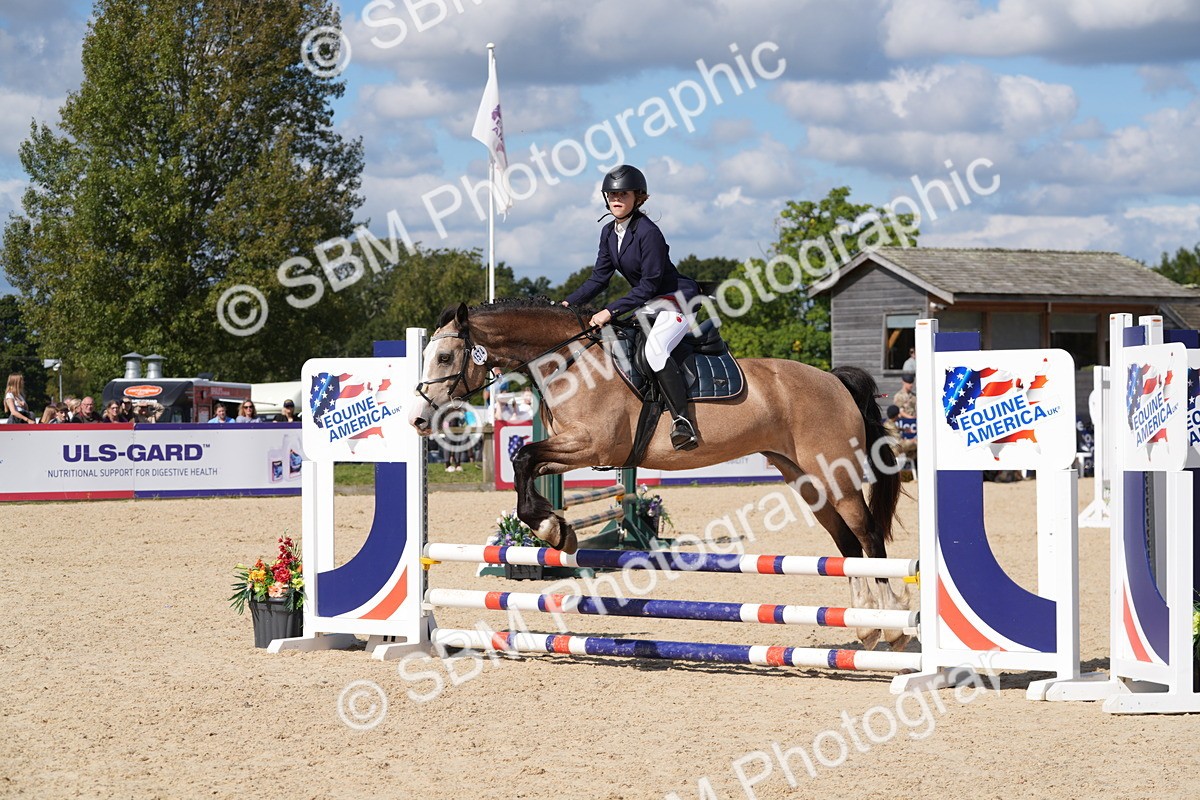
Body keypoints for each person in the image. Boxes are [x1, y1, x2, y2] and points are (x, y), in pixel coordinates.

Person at [562, 164, 703, 451]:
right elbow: (599, 278)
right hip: (650, 304)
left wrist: (610, 310)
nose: (617, 198)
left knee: (655, 350)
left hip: (676, 301)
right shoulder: (608, 232)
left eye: (623, 194)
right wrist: (567, 303)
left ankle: (682, 422)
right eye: (612, 194)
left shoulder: (648, 232)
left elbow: (649, 284)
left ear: (638, 198)